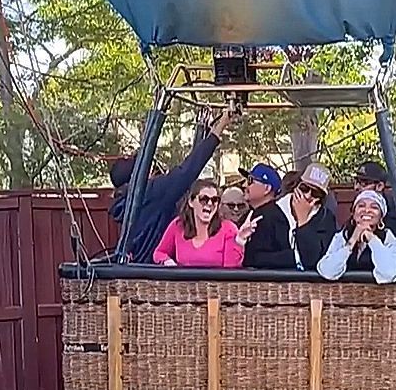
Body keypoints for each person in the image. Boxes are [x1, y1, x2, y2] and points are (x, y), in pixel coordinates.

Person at [109, 108, 239, 262]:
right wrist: (219, 128)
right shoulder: (152, 192)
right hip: (157, 269)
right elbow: (187, 171)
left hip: (136, 267)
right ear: (136, 176)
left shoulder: (124, 204)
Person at [243, 162, 337, 270]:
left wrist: (303, 222)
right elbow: (253, 258)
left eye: (316, 194)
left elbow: (314, 259)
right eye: (304, 188)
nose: (308, 196)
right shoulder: (267, 214)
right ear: (296, 185)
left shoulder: (326, 218)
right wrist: (295, 257)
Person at [152, 179, 258, 268]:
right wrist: (168, 262)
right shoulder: (178, 225)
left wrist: (239, 241)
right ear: (191, 202)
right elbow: (159, 253)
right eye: (204, 199)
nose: (210, 203)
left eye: (214, 200)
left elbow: (230, 270)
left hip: (215, 286)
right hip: (184, 286)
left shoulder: (228, 229)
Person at [317, 189, 396, 283]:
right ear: (353, 213)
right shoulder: (342, 236)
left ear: (381, 217)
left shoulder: (388, 238)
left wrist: (372, 239)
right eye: (361, 206)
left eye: (374, 207)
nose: (367, 210)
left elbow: (389, 273)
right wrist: (351, 241)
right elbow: (328, 271)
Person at [353, 160, 396, 240]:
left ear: (379, 186)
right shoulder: (354, 215)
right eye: (356, 182)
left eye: (364, 183)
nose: (356, 187)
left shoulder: (393, 220)